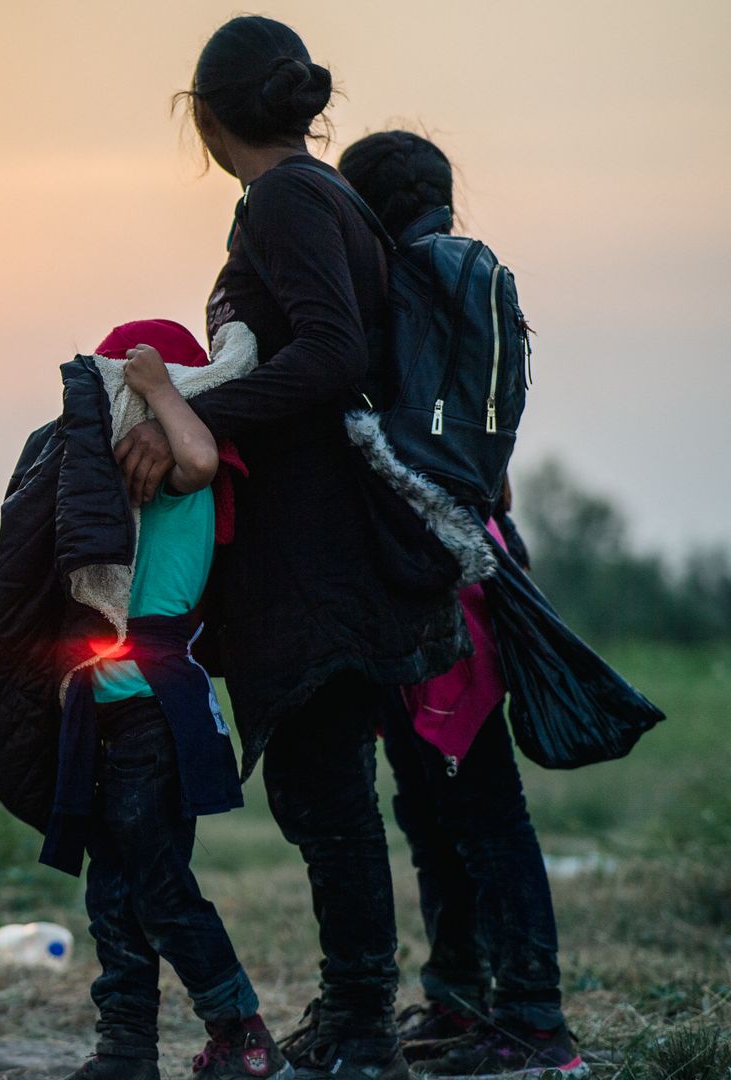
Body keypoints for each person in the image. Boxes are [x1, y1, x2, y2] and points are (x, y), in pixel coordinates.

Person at [114, 18, 470, 1080]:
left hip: (323, 550)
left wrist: (186, 408)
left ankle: (363, 1027)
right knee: (327, 789)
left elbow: (332, 354)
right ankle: (354, 1013)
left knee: (327, 789)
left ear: (209, 119)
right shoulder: (319, 197)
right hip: (323, 542)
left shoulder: (288, 198)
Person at [339, 131, 586, 1079]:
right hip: (470, 556)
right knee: (440, 805)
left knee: (475, 807)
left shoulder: (399, 291)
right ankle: (460, 997)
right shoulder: (469, 283)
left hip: (431, 575)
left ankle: (529, 1019)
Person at [56, 319, 289, 1080]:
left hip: (161, 709)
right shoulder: (119, 483)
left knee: (158, 884)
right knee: (113, 894)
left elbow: (196, 448)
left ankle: (242, 1034)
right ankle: (125, 1049)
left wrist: (156, 387)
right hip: (109, 708)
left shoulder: (189, 470)